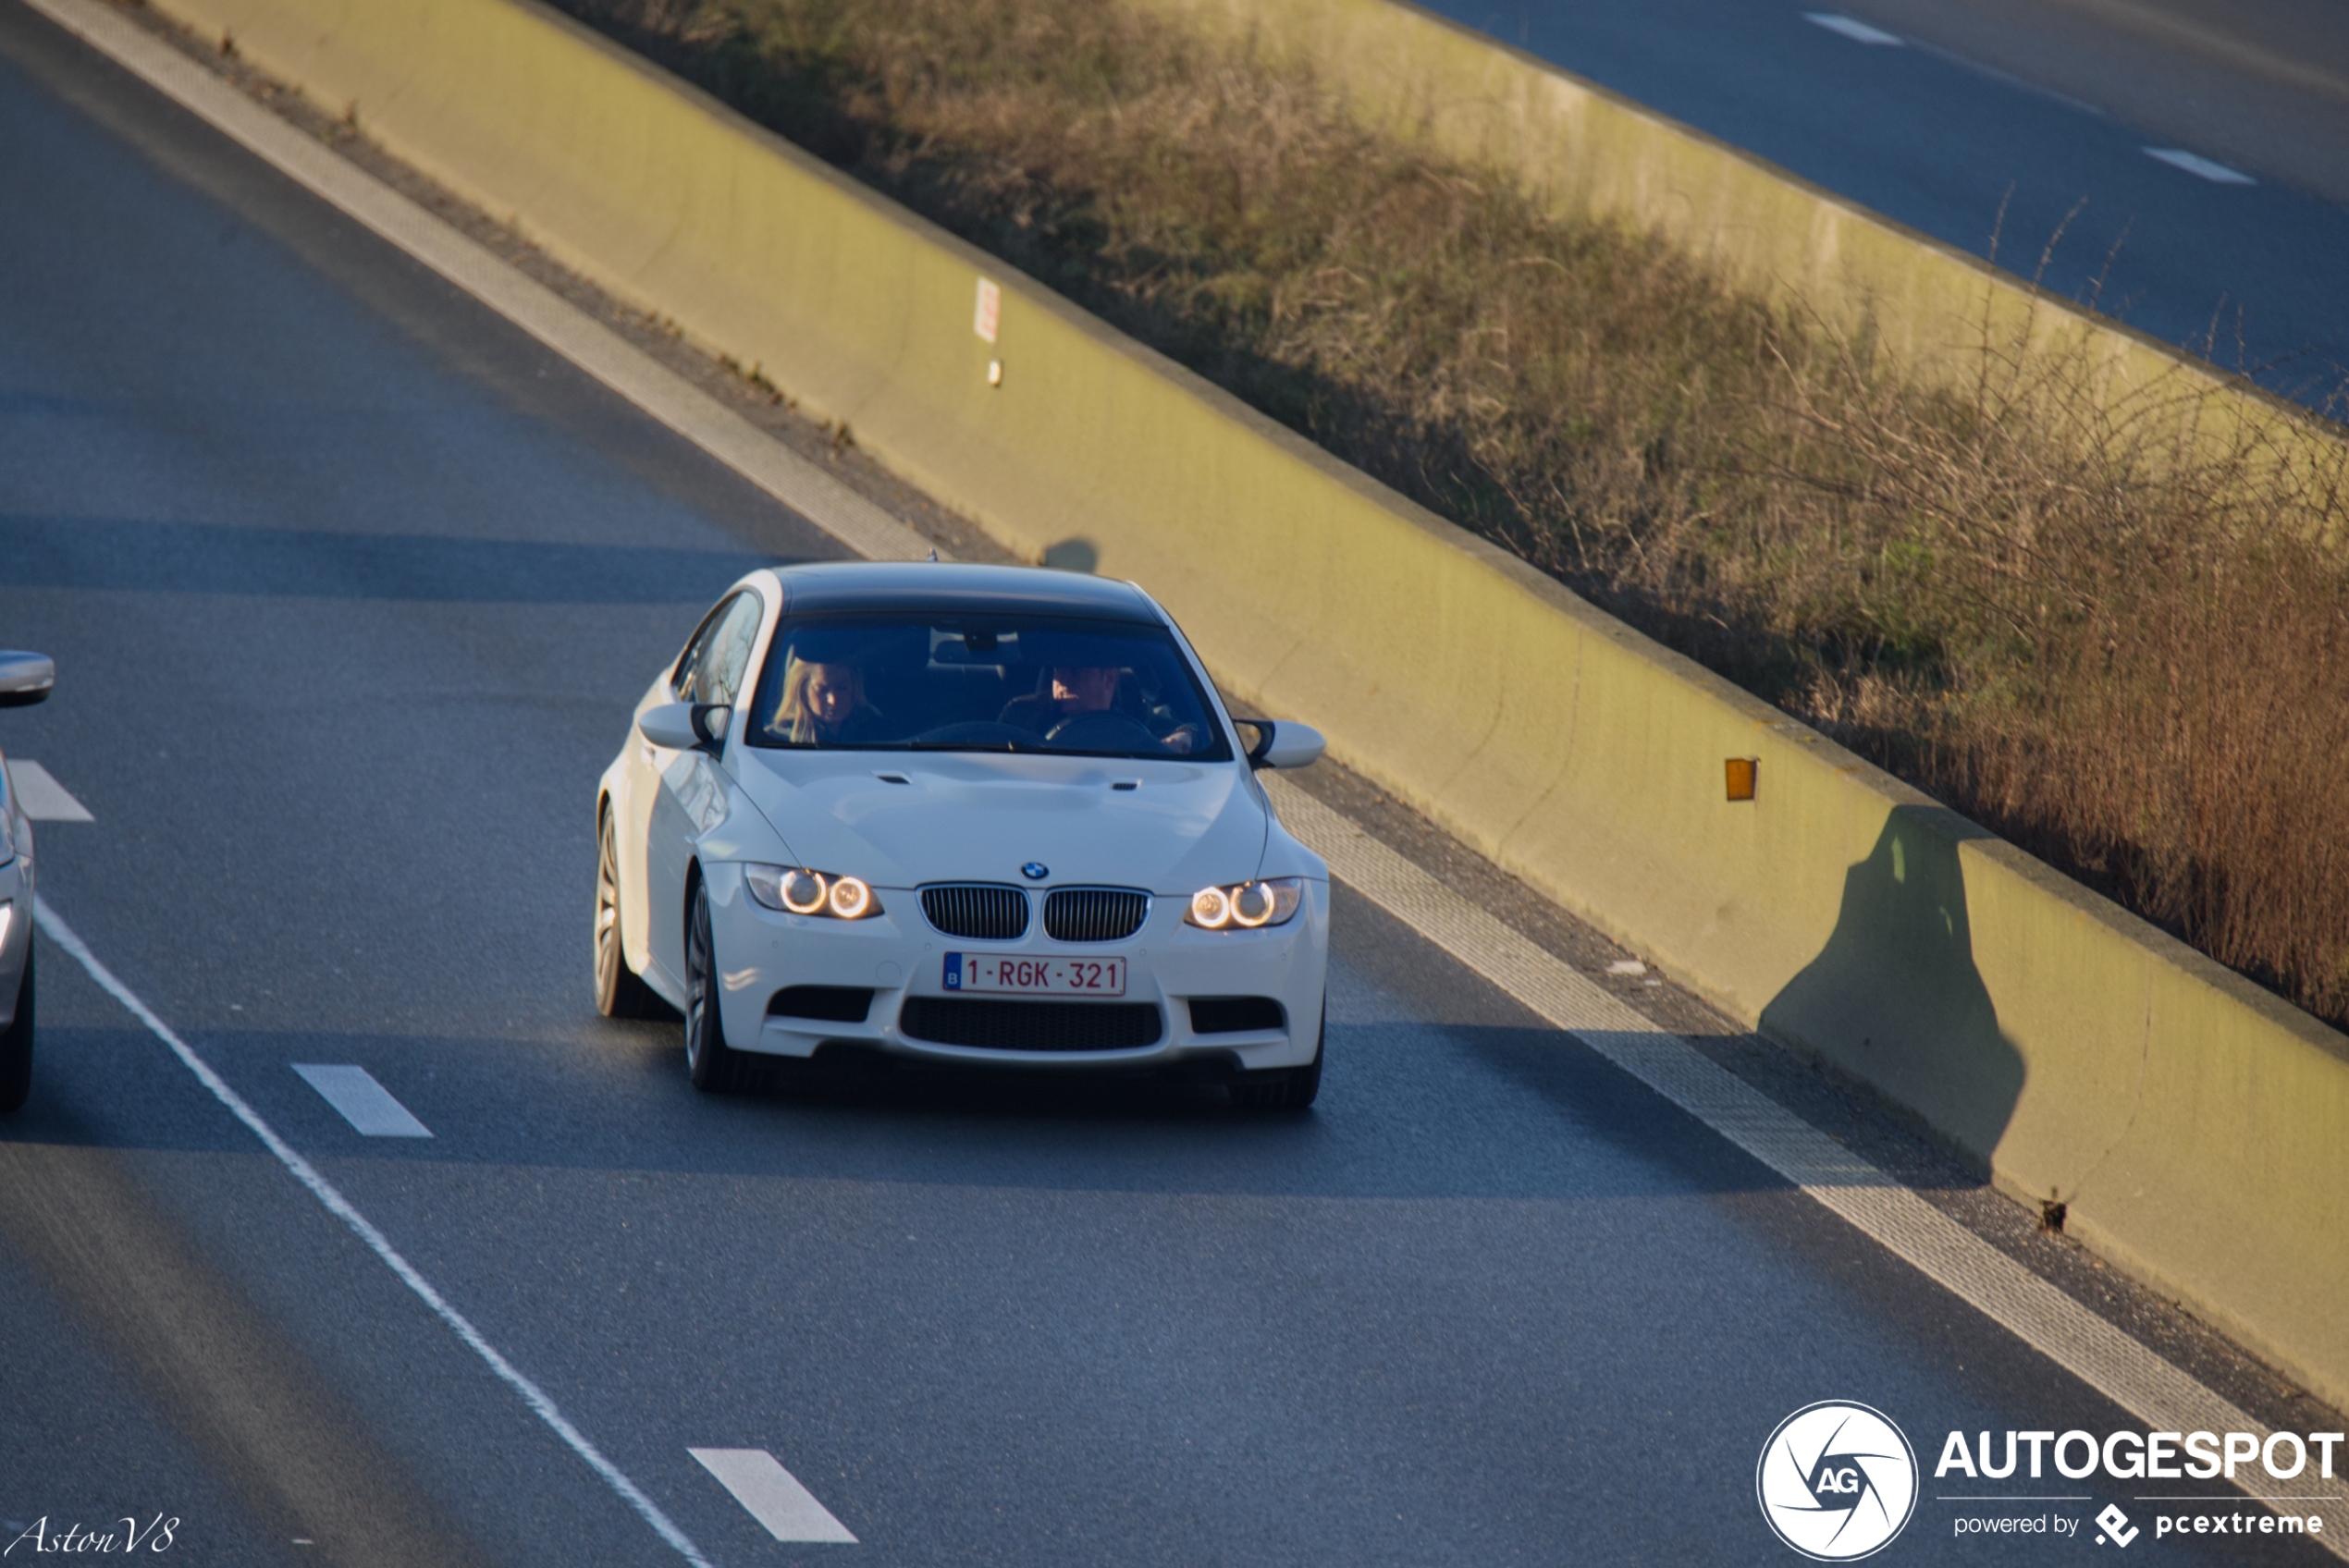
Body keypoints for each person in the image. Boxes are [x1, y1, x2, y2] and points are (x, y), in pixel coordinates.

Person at [1001, 665, 1199, 753]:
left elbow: (1204, 735)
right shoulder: (1023, 713)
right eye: (1058, 670)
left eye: (1076, 671)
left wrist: (1186, 736)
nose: (1063, 681)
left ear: (1110, 678)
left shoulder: (1138, 718)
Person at [769, 655, 879, 745]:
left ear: (854, 689)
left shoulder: (881, 734)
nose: (833, 700)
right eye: (822, 690)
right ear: (802, 692)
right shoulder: (777, 740)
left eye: (841, 688)